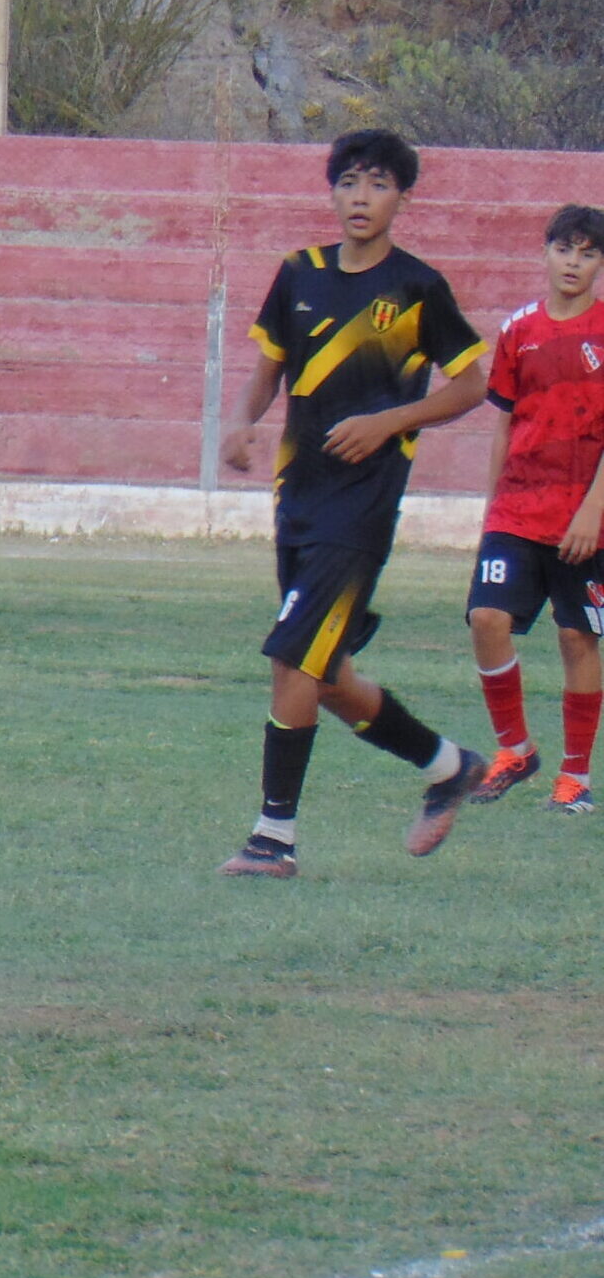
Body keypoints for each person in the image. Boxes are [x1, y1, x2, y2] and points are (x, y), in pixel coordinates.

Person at [218, 128, 490, 879]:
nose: (360, 197)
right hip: (298, 500)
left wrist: (390, 422)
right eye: (348, 183)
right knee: (327, 676)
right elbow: (269, 367)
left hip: (361, 511)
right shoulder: (297, 273)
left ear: (402, 197)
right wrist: (240, 422)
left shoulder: (416, 288)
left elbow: (471, 384)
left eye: (377, 184)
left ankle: (272, 839)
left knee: (290, 657)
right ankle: (449, 767)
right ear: (332, 193)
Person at [462, 204, 604, 816]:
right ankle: (515, 749)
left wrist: (593, 510)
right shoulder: (518, 329)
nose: (573, 263)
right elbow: (504, 423)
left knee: (576, 636)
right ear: (544, 252)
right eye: (564, 249)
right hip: (517, 510)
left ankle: (575, 779)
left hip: (584, 515)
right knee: (486, 618)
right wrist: (492, 509)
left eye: (588, 253)